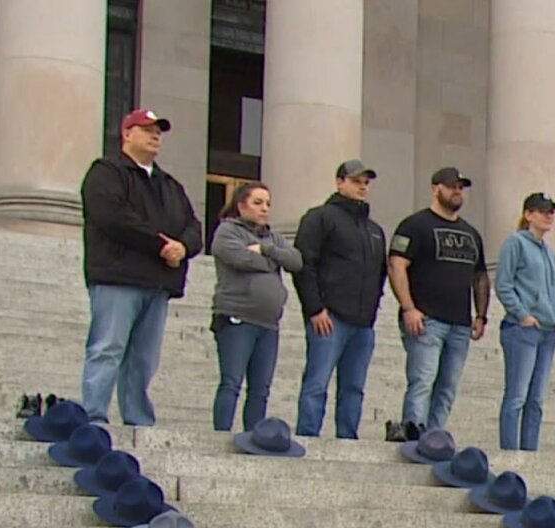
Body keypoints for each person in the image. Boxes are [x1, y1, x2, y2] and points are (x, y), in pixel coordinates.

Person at [78, 107, 202, 426]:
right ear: (127, 133)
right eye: (146, 129)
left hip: (157, 282)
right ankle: (94, 412)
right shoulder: (106, 172)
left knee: (144, 358)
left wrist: (183, 247)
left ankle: (137, 415)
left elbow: (192, 225)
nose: (154, 135)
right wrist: (161, 244)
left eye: (158, 130)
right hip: (118, 277)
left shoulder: (169, 185)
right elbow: (115, 218)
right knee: (108, 346)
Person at [388, 166, 489, 438]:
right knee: (422, 380)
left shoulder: (471, 233)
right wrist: (409, 308)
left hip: (459, 323)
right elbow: (397, 265)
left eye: (461, 187)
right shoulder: (415, 225)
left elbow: (480, 276)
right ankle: (413, 433)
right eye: (451, 186)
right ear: (435, 189)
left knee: (447, 386)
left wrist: (481, 315)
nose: (457, 191)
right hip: (426, 320)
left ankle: (434, 439)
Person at [293, 159, 387, 440]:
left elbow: (379, 273)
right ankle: (308, 436)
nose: (362, 187)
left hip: (363, 322)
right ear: (340, 182)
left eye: (366, 182)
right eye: (356, 181)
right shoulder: (320, 217)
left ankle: (348, 439)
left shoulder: (374, 230)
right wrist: (315, 308)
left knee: (354, 387)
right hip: (329, 318)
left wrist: (372, 310)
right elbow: (304, 265)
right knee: (317, 382)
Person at [209, 183, 301, 432]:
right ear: (241, 206)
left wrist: (266, 249)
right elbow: (239, 258)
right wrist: (272, 261)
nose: (264, 209)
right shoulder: (227, 231)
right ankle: (220, 435)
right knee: (231, 382)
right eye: (257, 203)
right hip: (237, 316)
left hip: (268, 323)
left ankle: (254, 437)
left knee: (261, 389)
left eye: (268, 204)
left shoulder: (273, 238)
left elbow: (296, 260)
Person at [495, 192, 555, 451]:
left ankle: (530, 451)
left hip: (548, 330)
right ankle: (510, 450)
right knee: (517, 395)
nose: (549, 216)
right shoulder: (515, 243)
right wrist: (522, 314)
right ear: (528, 214)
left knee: (536, 399)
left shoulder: (547, 250)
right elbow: (503, 284)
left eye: (552, 211)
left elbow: (552, 289)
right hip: (522, 329)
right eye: (543, 210)